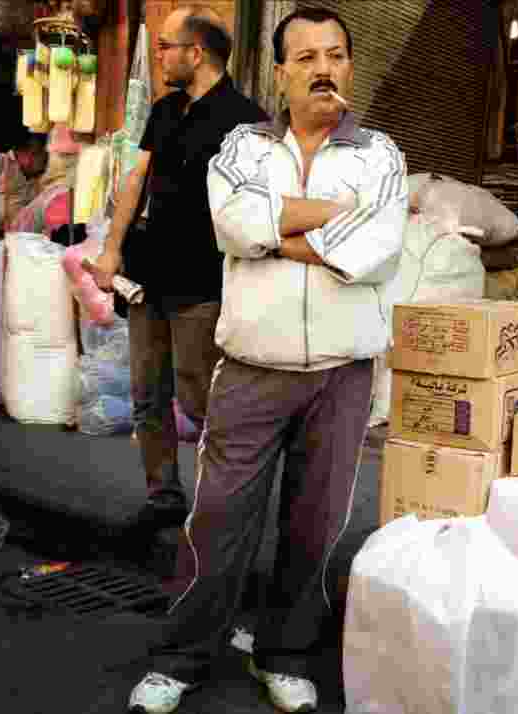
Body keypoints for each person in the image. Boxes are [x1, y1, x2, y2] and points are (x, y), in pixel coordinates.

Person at [126, 7, 408, 714]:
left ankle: (283, 652)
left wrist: (279, 225)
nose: (322, 68)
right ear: (278, 73)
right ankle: (182, 656)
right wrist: (332, 213)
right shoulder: (243, 147)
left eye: (335, 54)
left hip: (341, 372)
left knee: (314, 526)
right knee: (218, 518)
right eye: (304, 56)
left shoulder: (382, 155)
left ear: (350, 66)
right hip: (252, 364)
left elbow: (376, 252)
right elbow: (233, 223)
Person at [85, 6, 269, 523]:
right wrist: (112, 247)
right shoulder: (165, 111)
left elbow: (258, 208)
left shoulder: (246, 120)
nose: (160, 54)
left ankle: (223, 503)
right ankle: (162, 495)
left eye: (167, 45)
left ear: (197, 52)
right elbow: (135, 180)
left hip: (203, 284)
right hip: (148, 279)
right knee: (148, 395)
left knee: (200, 401)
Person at [0, 128, 49, 235]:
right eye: (45, 155)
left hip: (22, 243)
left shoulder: (42, 178)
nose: (47, 160)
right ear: (32, 153)